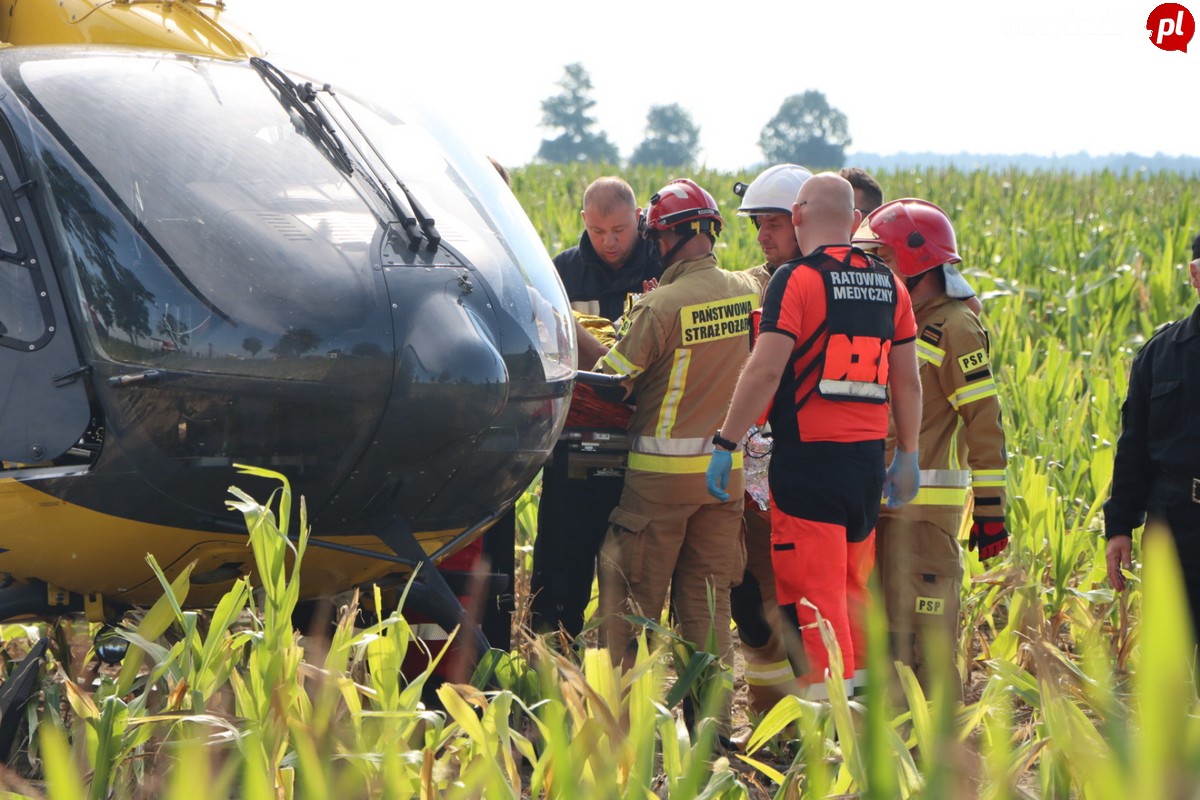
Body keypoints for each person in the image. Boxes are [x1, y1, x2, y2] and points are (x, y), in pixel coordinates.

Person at [707, 172, 922, 698]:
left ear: (799, 215)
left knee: (813, 600)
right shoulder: (888, 284)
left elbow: (764, 371)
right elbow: (908, 380)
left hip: (809, 467)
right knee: (853, 591)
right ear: (853, 221)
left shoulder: (796, 280)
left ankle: (830, 734)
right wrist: (910, 454)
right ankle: (868, 712)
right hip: (866, 467)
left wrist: (726, 442)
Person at [595, 178, 758, 692]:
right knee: (708, 604)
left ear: (665, 239)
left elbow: (610, 384)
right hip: (723, 479)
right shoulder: (747, 291)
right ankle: (711, 723)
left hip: (658, 485)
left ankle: (619, 718)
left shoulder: (660, 306)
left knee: (631, 604)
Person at [852, 198, 1009, 698]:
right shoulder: (896, 320)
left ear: (914, 262)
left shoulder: (956, 327)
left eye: (882, 259)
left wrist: (990, 512)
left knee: (925, 649)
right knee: (885, 645)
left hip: (925, 521)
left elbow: (985, 426)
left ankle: (938, 762)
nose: (873, 270)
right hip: (880, 513)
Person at [530, 177, 661, 637]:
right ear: (584, 221)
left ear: (639, 220)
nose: (610, 241)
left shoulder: (663, 265)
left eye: (621, 230)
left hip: (644, 441)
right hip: (574, 441)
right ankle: (551, 658)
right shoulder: (560, 272)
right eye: (599, 230)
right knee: (561, 564)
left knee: (632, 574)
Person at [729, 163, 812, 714]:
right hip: (760, 475)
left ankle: (817, 721)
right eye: (757, 224)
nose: (764, 236)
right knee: (754, 603)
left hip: (820, 471)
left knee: (812, 603)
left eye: (774, 224)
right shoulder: (760, 282)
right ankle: (770, 719)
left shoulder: (847, 283)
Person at [1106, 232, 1200, 637]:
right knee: (1179, 649)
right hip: (1176, 522)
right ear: (1195, 276)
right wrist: (1120, 526)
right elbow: (1134, 450)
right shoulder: (1161, 353)